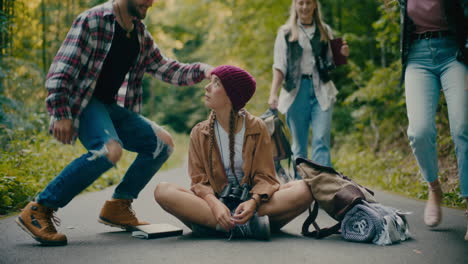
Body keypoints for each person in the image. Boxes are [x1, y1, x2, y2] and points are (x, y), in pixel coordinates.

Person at [16, 0, 212, 246]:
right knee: (110, 150)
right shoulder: (93, 20)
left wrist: (204, 70)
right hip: (84, 103)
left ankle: (119, 206)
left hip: (109, 106)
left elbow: (166, 68)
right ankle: (39, 208)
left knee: (163, 143)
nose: (149, 2)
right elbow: (61, 69)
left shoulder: (139, 33)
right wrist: (61, 112)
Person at [154, 65, 313, 240]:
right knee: (163, 190)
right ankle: (249, 226)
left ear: (231, 96)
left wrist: (253, 202)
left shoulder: (257, 127)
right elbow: (199, 181)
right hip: (213, 204)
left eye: (216, 83)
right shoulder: (200, 132)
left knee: (304, 189)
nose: (207, 87)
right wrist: (215, 205)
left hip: (252, 204)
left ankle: (216, 226)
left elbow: (265, 176)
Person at [394, 0, 468, 239]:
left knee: (463, 127)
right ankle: (434, 188)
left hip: (454, 53)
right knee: (419, 131)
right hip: (417, 57)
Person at [268, 0, 349, 178]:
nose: (304, 7)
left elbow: (331, 62)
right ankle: (300, 189)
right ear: (295, 5)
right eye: (301, 3)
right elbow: (279, 65)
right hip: (295, 91)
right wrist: (273, 93)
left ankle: (323, 187)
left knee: (321, 139)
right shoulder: (285, 32)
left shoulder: (324, 30)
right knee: (299, 145)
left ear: (315, 6)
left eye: (308, 3)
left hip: (322, 89)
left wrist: (342, 55)